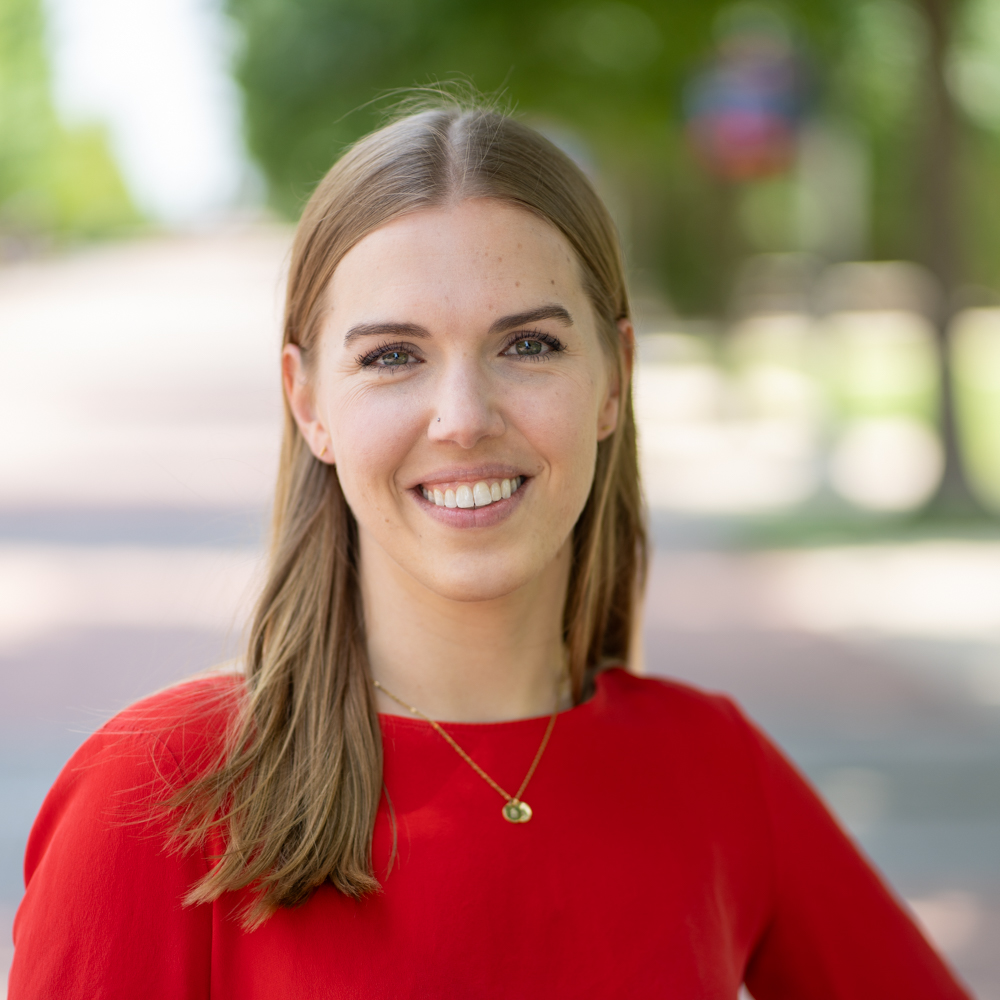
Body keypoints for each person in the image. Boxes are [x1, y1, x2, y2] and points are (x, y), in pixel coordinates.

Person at [9, 103, 971, 999]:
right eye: (393, 356)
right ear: (308, 403)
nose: (463, 420)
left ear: (613, 380)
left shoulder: (714, 769)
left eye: (529, 346)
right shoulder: (155, 795)